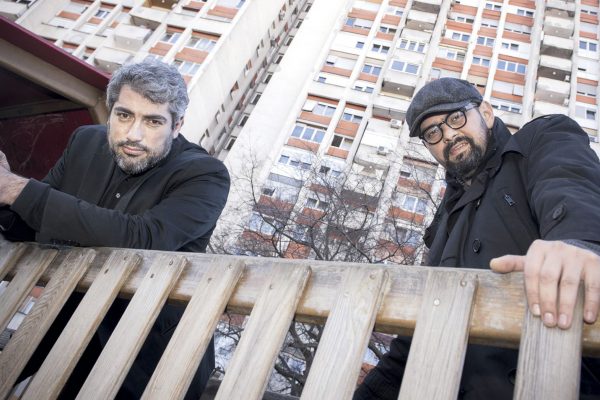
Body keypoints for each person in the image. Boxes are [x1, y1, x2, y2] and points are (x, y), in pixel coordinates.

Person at [354, 78, 600, 399]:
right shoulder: (442, 229)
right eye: (433, 133)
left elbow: (568, 183)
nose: (448, 135)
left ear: (486, 113)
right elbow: (417, 337)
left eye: (456, 117)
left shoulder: (536, 142)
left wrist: (576, 242)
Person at [0, 60, 230, 399]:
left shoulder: (206, 175)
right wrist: (5, 200)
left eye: (153, 121)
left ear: (177, 125)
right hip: (66, 329)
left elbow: (141, 238)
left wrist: (16, 189)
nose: (133, 134)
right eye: (124, 115)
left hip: (150, 360)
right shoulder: (85, 141)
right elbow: (34, 220)